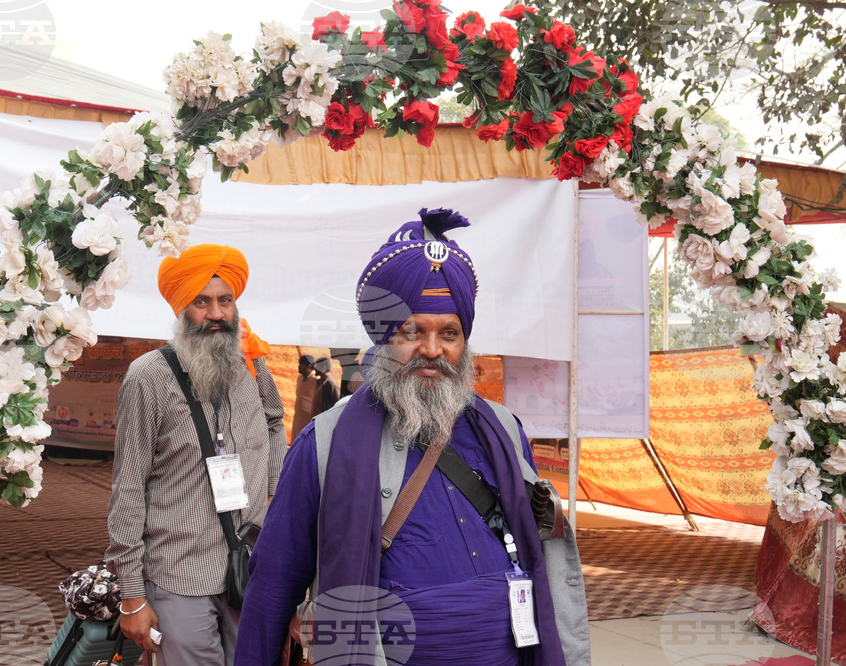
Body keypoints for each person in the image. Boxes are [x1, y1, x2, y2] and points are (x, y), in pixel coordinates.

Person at [234, 209, 590, 666]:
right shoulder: (323, 443)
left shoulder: (503, 429)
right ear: (384, 339)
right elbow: (274, 581)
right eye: (412, 331)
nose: (432, 349)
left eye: (449, 333)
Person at [105, 244, 287, 666]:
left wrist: (276, 495)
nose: (216, 314)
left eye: (225, 300)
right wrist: (131, 595)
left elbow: (276, 422)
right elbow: (128, 488)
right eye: (201, 302)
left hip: (250, 561)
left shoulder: (252, 363)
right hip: (179, 573)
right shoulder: (149, 377)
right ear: (181, 309)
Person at [290, 354, 318, 441]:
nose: (299, 366)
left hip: (308, 419)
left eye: (301, 364)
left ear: (308, 366)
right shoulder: (299, 378)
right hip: (298, 417)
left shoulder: (316, 380)